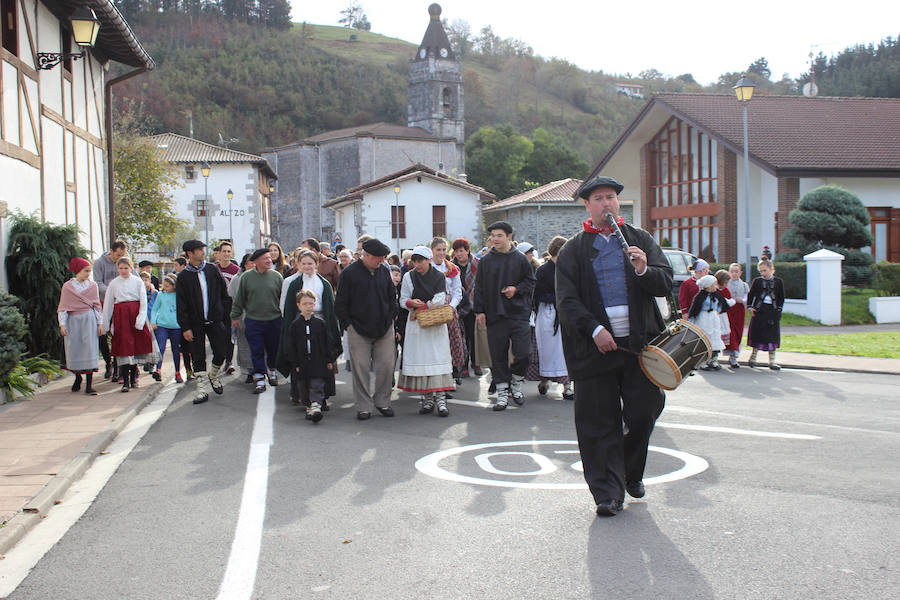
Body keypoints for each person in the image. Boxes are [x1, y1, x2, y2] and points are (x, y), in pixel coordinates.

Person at [556, 175, 673, 517]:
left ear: (617, 203)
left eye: (611, 197)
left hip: (639, 347)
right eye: (599, 198)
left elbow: (664, 283)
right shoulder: (573, 249)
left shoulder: (641, 239)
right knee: (598, 423)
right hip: (595, 349)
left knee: (643, 412)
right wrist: (594, 330)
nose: (606, 203)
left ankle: (630, 470)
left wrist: (644, 270)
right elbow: (567, 300)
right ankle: (607, 493)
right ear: (587, 205)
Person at [473, 221, 536, 410]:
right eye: (492, 235)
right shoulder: (485, 260)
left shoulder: (521, 259)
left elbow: (531, 282)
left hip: (518, 313)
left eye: (499, 235)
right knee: (498, 355)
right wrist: (480, 311)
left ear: (509, 237)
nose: (494, 239)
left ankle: (516, 383)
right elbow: (480, 288)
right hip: (494, 314)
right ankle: (502, 392)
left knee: (524, 353)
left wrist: (516, 289)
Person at [334, 238, 398, 420]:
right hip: (358, 329)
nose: (382, 260)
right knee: (360, 369)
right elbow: (340, 304)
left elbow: (391, 297)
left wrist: (390, 317)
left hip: (384, 328)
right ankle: (363, 406)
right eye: (379, 257)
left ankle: (383, 401)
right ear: (366, 255)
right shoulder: (349, 274)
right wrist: (349, 326)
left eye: (383, 257)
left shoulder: (384, 271)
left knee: (386, 366)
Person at [276, 249, 341, 410]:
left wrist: (332, 331)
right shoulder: (294, 284)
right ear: (298, 264)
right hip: (300, 324)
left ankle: (322, 396)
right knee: (301, 360)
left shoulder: (323, 283)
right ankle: (301, 395)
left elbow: (330, 308)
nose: (307, 266)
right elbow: (288, 308)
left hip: (320, 325)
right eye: (304, 263)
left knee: (321, 359)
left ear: (316, 264)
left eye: (310, 263)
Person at [398, 246, 454, 417]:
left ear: (428, 260)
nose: (418, 264)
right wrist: (410, 304)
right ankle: (427, 397)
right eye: (415, 261)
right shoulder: (408, 276)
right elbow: (402, 298)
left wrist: (421, 308)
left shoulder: (438, 276)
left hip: (434, 323)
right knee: (422, 358)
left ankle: (441, 399)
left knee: (437, 357)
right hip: (417, 325)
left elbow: (439, 299)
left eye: (421, 260)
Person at [175, 240, 231, 404]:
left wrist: (224, 314)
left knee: (221, 351)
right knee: (198, 354)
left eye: (202, 249)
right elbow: (181, 303)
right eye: (198, 250)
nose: (202, 252)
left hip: (215, 319)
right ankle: (201, 389)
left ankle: (213, 375)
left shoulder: (212, 269)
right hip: (195, 323)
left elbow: (223, 293)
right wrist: (185, 327)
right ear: (190, 254)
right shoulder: (184, 276)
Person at [101, 257, 160, 392]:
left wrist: (140, 318)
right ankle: (125, 381)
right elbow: (109, 304)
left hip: (135, 314)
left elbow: (143, 301)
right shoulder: (114, 284)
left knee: (136, 347)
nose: (123, 271)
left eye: (126, 268)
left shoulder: (138, 281)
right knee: (123, 347)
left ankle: (134, 377)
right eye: (120, 268)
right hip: (121, 316)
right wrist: (105, 324)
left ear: (131, 268)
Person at [231, 248, 284, 393]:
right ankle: (259, 376)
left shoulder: (277, 277)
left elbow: (283, 299)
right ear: (255, 262)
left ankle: (272, 370)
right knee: (256, 349)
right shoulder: (246, 278)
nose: (268, 261)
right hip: (254, 320)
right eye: (264, 259)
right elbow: (239, 299)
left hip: (274, 319)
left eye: (269, 258)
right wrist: (235, 316)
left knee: (274, 348)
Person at [283, 289, 338, 423]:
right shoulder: (295, 325)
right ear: (298, 305)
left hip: (318, 360)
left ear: (315, 305)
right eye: (305, 304)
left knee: (317, 383)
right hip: (302, 362)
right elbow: (292, 346)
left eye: (311, 304)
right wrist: (294, 363)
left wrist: (330, 359)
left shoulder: (320, 324)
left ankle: (316, 405)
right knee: (304, 385)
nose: (308, 306)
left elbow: (327, 342)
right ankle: (309, 406)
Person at [531, 235, 573, 399]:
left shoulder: (568, 268)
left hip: (565, 313)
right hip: (549, 313)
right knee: (548, 350)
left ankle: (567, 385)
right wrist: (558, 298)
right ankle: (544, 380)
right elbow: (538, 294)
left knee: (565, 350)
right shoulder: (543, 270)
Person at [58, 257, 103, 395]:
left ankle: (89, 385)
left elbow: (97, 306)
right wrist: (62, 324)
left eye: (90, 271)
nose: (88, 274)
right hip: (73, 320)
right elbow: (63, 307)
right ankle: (77, 377)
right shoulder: (68, 287)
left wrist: (100, 323)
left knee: (89, 348)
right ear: (78, 271)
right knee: (74, 348)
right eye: (86, 271)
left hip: (88, 319)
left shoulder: (92, 286)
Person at [429, 237, 467, 384]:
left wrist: (451, 307)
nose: (441, 252)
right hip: (431, 308)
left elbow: (457, 291)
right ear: (432, 250)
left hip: (448, 308)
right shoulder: (428, 267)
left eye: (444, 249)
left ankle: (450, 376)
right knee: (434, 344)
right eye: (438, 249)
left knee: (451, 343)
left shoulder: (451, 268)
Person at [93, 240, 127, 379]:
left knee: (118, 334)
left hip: (119, 303)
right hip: (103, 302)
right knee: (102, 334)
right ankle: (108, 362)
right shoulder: (99, 263)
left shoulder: (124, 262)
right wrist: (111, 292)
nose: (119, 258)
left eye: (122, 255)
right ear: (111, 251)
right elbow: (98, 282)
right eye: (117, 255)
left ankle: (117, 364)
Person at [688, 274, 733, 371]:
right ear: (708, 285)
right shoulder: (700, 296)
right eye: (714, 284)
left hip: (713, 318)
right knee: (705, 338)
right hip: (703, 318)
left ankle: (714, 360)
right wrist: (691, 322)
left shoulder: (716, 295)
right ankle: (703, 361)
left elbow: (722, 304)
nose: (716, 287)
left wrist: (724, 306)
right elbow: (695, 309)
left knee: (715, 337)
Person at [747, 259, 785, 370]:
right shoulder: (757, 281)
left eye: (765, 270)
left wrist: (779, 309)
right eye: (761, 271)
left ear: (772, 269)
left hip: (772, 311)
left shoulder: (778, 281)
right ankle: (753, 358)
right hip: (760, 310)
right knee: (757, 333)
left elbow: (781, 297)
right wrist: (750, 307)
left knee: (772, 335)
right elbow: (751, 294)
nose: (763, 273)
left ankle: (772, 361)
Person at [451, 238, 480, 377]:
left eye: (461, 251)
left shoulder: (477, 264)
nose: (459, 254)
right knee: (461, 336)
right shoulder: (451, 267)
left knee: (474, 337)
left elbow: (480, 285)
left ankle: (476, 362)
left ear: (467, 250)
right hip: (459, 306)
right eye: (456, 251)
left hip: (474, 304)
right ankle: (463, 365)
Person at [150, 274, 183, 382]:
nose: (165, 288)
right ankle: (158, 369)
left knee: (176, 349)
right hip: (162, 325)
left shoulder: (179, 295)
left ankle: (177, 372)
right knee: (161, 347)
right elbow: (155, 309)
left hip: (176, 326)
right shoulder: (161, 295)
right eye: (164, 286)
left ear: (174, 286)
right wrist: (153, 322)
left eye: (167, 286)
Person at [229, 253, 256, 383]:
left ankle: (260, 370)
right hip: (243, 316)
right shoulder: (237, 279)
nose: (253, 265)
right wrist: (235, 316)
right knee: (244, 345)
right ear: (245, 264)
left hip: (258, 316)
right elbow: (233, 299)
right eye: (251, 262)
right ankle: (248, 371)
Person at [215, 241, 240, 374]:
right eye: (224, 251)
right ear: (218, 253)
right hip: (217, 307)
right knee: (218, 334)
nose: (226, 254)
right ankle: (219, 359)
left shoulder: (235, 270)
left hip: (230, 306)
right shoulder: (214, 269)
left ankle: (229, 362)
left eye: (228, 251)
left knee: (229, 334)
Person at [724, 263, 750, 368]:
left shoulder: (744, 285)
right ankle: (728, 353)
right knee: (729, 332)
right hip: (729, 310)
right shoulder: (726, 284)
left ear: (740, 273)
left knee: (738, 332)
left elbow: (748, 297)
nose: (734, 274)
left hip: (739, 310)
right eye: (732, 271)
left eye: (736, 271)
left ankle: (734, 356)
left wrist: (742, 300)